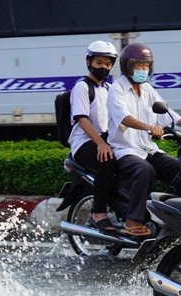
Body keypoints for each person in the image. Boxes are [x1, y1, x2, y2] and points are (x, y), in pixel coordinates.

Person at [107, 42, 181, 238]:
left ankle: (173, 214)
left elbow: (168, 114)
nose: (143, 69)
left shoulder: (148, 90)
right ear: (127, 66)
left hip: (148, 149)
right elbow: (124, 118)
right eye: (138, 65)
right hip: (124, 149)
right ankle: (133, 218)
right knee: (145, 170)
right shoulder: (117, 89)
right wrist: (149, 127)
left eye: (146, 65)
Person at [69, 41, 118, 232]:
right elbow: (82, 119)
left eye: (108, 64)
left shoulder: (109, 89)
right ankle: (98, 212)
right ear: (89, 62)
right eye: (99, 63)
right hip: (84, 143)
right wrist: (100, 144)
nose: (103, 67)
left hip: (103, 140)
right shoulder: (82, 87)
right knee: (108, 160)